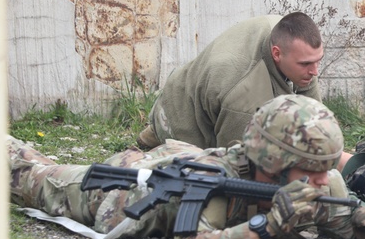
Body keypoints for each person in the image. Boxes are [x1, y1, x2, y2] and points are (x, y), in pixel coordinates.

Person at [10, 96, 365, 239]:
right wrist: (266, 226)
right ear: (273, 162)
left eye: (325, 168)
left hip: (180, 158)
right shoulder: (218, 182)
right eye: (310, 170)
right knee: (33, 175)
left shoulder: (324, 184)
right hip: (127, 193)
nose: (323, 180)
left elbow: (355, 236)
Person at [137, 13, 324, 150]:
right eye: (306, 64)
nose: (314, 71)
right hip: (182, 117)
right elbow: (236, 163)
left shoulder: (289, 39)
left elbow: (317, 120)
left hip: (205, 87)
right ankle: (159, 134)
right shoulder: (243, 96)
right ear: (277, 53)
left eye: (317, 61)